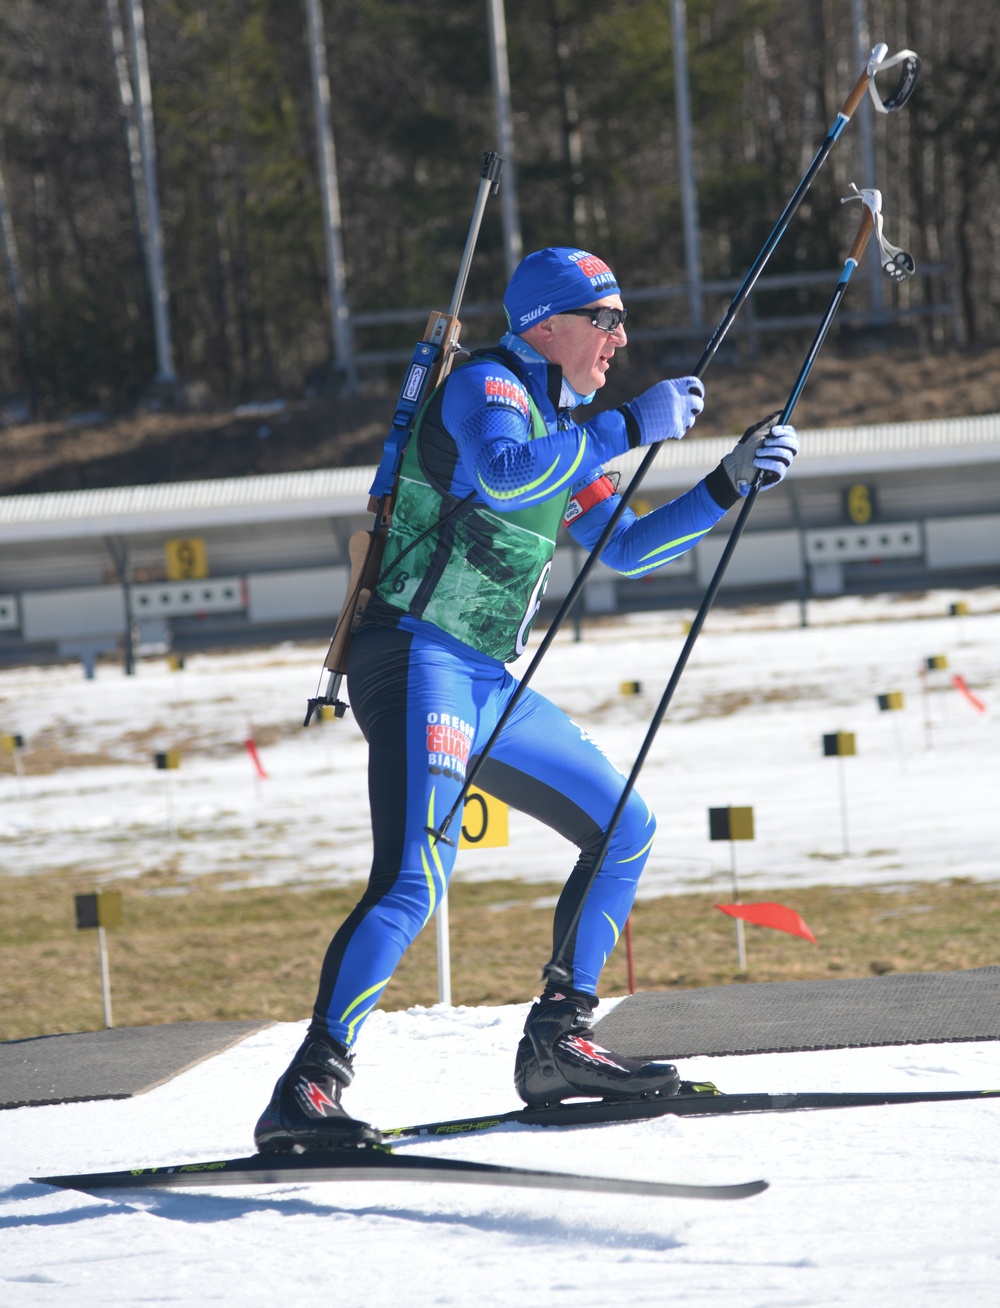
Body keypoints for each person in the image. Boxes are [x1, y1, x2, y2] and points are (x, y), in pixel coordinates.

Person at [254, 246, 799, 1151]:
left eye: (623, 321)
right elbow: (506, 474)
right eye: (607, 318)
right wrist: (630, 425)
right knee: (412, 883)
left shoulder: (557, 418)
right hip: (416, 657)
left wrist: (725, 484)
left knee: (624, 825)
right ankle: (308, 1086)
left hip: (483, 676)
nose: (621, 338)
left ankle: (559, 1042)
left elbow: (622, 547)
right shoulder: (491, 389)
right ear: (550, 323)